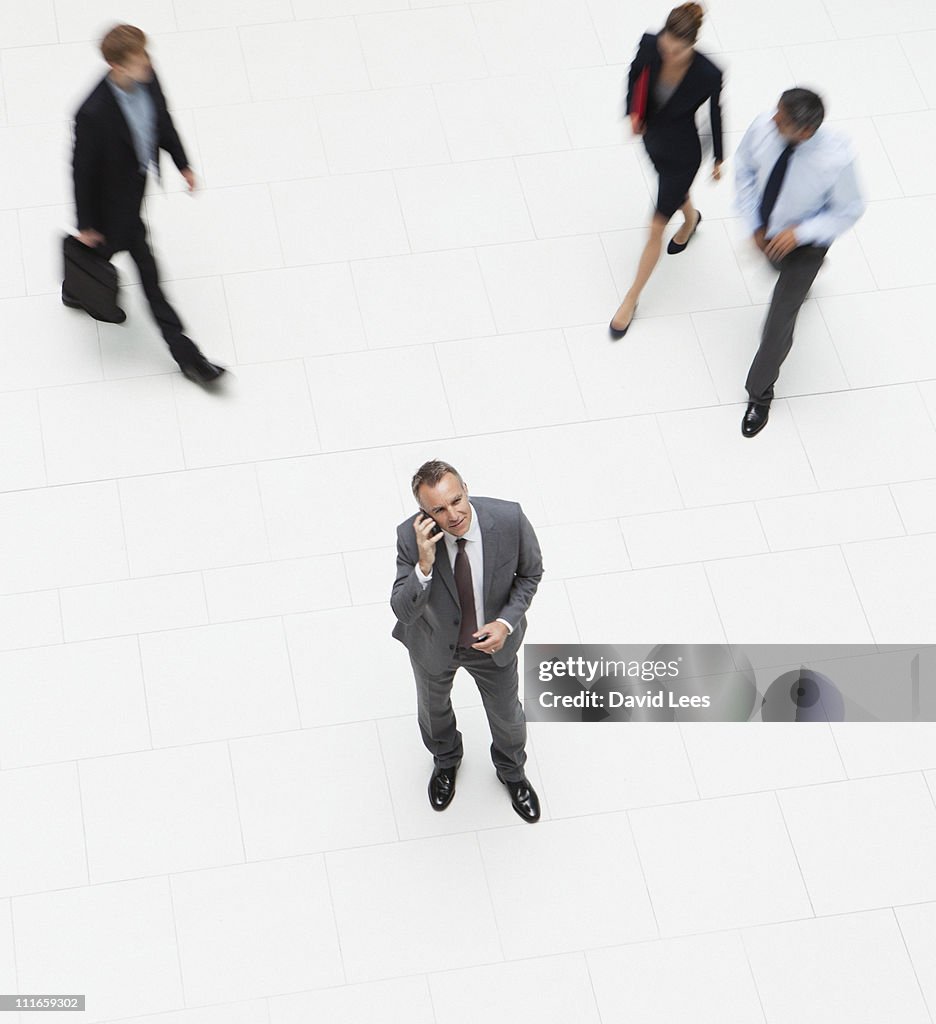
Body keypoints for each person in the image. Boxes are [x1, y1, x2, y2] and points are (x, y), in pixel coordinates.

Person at [67, 24, 225, 385]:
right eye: (139, 61)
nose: (148, 65)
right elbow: (81, 171)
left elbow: (163, 122)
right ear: (116, 66)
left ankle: (74, 288)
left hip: (133, 193)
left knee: (100, 258)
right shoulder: (92, 113)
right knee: (151, 281)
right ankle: (189, 359)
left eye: (146, 56)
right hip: (110, 210)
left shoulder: (149, 80)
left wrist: (182, 163)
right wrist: (86, 222)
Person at [390, 461, 544, 823]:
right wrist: (424, 565)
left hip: (493, 646)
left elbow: (531, 573)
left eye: (456, 500)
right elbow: (402, 610)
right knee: (433, 711)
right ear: (424, 512)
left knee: (508, 717)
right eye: (438, 509)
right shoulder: (410, 537)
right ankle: (446, 761)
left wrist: (506, 623)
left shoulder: (508, 519)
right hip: (433, 644)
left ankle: (512, 772)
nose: (453, 515)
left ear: (466, 489)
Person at [735, 88, 865, 437]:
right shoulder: (763, 127)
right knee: (775, 269)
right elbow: (745, 170)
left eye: (782, 120)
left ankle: (759, 394)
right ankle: (799, 280)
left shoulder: (836, 159)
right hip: (768, 233)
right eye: (777, 111)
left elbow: (849, 209)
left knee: (777, 323)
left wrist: (801, 232)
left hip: (806, 245)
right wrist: (754, 223)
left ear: (804, 132)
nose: (772, 120)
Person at [610, 2, 723, 338]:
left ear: (691, 46)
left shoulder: (708, 73)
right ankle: (690, 219)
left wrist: (719, 157)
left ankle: (631, 299)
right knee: (672, 193)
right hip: (653, 141)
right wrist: (633, 110)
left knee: (655, 227)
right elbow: (633, 75)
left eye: (676, 50)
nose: (667, 53)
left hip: (684, 154)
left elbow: (715, 112)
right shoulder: (650, 44)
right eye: (665, 45)